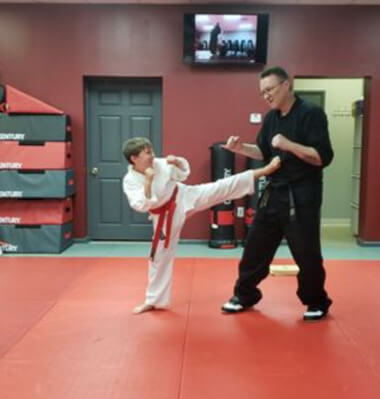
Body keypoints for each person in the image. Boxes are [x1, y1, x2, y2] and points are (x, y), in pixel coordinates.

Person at [221, 66, 334, 321]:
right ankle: (245, 295)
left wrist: (288, 145)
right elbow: (263, 151)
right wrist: (240, 148)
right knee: (254, 246)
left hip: (302, 194)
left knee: (306, 252)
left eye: (270, 89)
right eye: (263, 92)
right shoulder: (271, 118)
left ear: (286, 85)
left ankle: (316, 301)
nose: (266, 96)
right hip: (274, 192)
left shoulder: (311, 114)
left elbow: (322, 157)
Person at [122, 137, 281, 314]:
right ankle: (153, 300)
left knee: (220, 187)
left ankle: (264, 170)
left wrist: (178, 163)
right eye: (147, 153)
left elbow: (183, 174)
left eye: (151, 151)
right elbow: (142, 205)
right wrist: (148, 181)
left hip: (183, 196)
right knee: (159, 257)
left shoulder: (159, 164)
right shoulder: (130, 180)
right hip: (164, 215)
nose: (152, 155)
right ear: (134, 158)